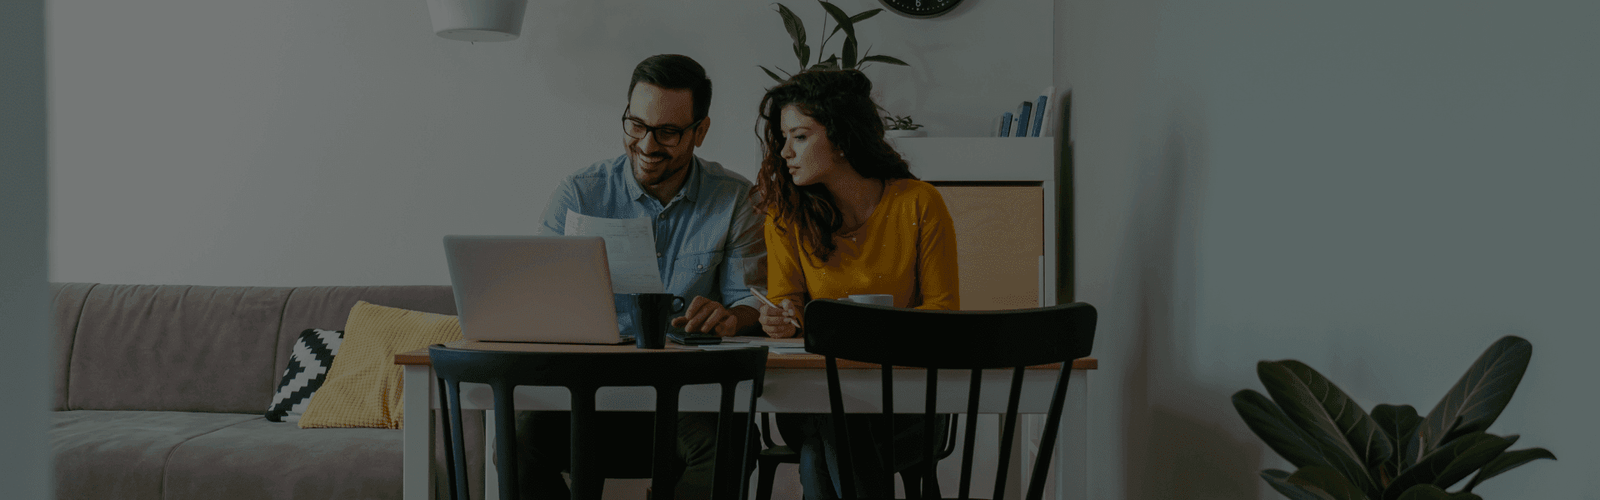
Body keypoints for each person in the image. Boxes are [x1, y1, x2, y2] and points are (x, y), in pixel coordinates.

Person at [520, 54, 765, 500]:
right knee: (516, 441)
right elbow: (538, 297)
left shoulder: (734, 199)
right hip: (586, 387)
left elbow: (750, 301)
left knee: (730, 442)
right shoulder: (580, 193)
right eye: (637, 125)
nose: (648, 145)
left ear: (700, 132)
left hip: (687, 393)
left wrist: (732, 317)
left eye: (668, 132)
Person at [752, 69, 959, 500]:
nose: (785, 152)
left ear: (842, 139)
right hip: (813, 399)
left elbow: (943, 313)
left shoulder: (919, 203)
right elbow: (785, 300)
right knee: (834, 412)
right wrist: (781, 319)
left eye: (800, 137)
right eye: (783, 138)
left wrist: (868, 337)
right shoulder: (786, 215)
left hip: (905, 402)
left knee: (820, 450)